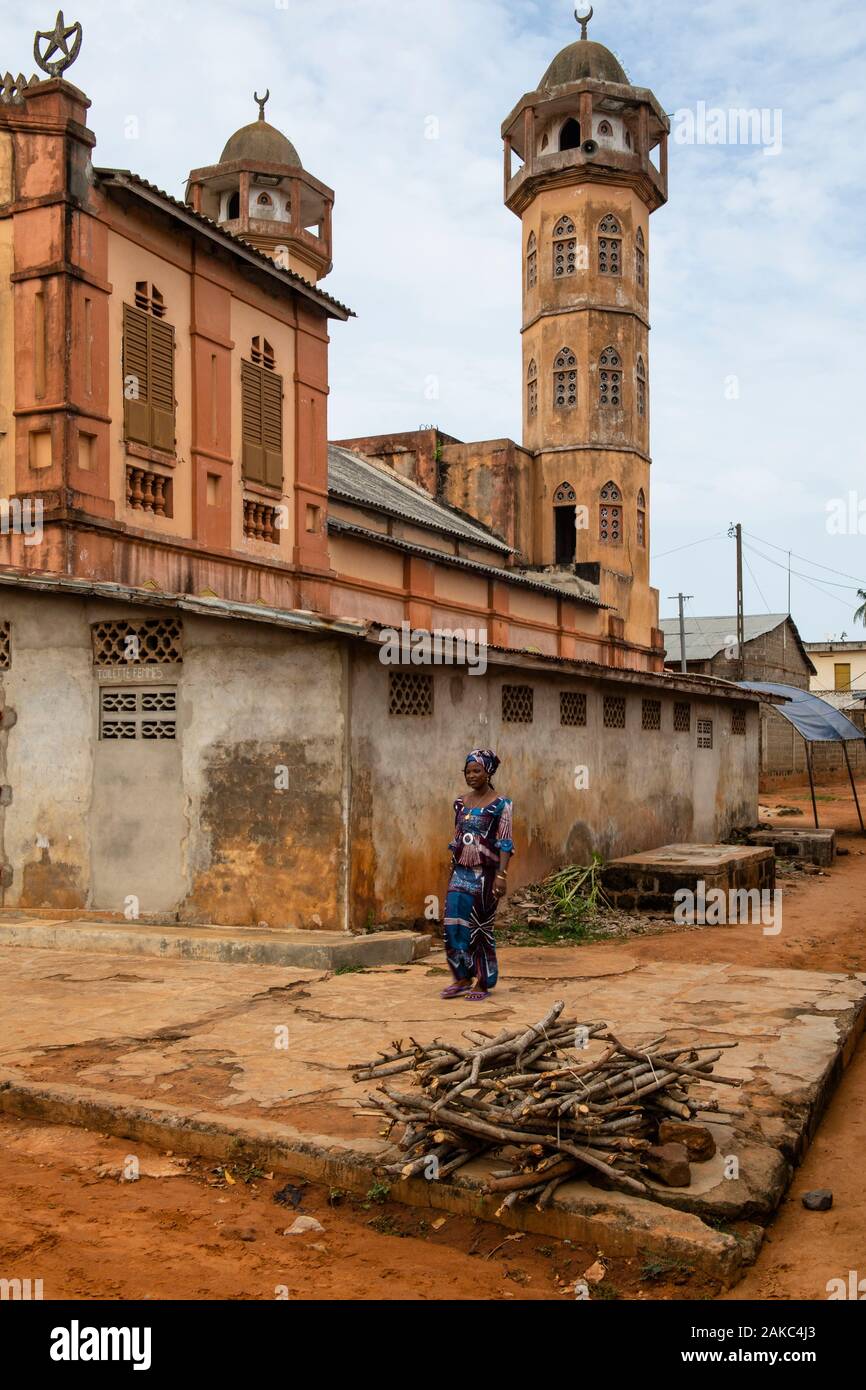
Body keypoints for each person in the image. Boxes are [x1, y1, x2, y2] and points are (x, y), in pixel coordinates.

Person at [440, 749, 513, 1002]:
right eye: (468, 771)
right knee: (452, 926)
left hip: (486, 874)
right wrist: (451, 869)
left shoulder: (501, 805)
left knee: (479, 928)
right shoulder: (460, 803)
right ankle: (461, 977)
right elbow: (457, 838)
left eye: (476, 771)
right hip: (460, 872)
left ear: (488, 772)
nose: (471, 776)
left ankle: (482, 981)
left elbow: (505, 842)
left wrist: (501, 876)